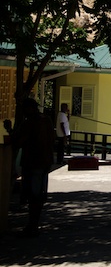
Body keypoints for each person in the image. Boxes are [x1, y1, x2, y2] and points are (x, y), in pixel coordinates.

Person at [16, 98, 55, 236]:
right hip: (45, 162)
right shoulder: (47, 120)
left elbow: (20, 141)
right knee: (38, 194)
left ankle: (32, 225)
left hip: (33, 162)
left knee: (33, 194)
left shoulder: (30, 123)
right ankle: (34, 224)